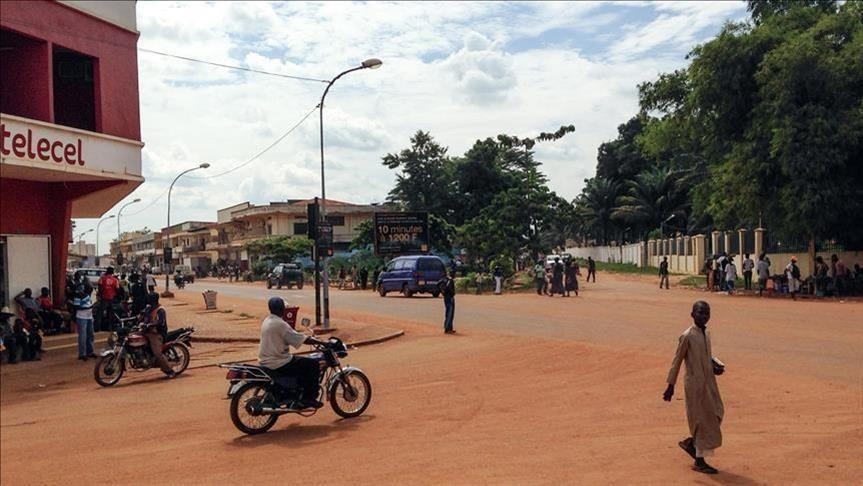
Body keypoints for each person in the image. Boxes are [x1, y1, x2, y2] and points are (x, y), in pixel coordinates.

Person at [663, 301, 725, 475]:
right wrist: (670, 385)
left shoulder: (707, 334)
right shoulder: (687, 335)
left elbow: (705, 356)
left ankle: (691, 443)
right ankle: (699, 460)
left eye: (706, 313)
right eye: (700, 313)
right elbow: (677, 360)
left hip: (709, 382)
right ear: (692, 314)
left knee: (717, 412)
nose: (704, 317)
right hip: (695, 385)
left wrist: (714, 366)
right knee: (700, 420)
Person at [259, 297, 327, 409]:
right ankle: (309, 399)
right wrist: (321, 342)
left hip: (267, 359)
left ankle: (295, 393)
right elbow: (300, 338)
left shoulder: (267, 321)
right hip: (278, 361)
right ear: (282, 309)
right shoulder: (281, 324)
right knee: (313, 364)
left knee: (299, 363)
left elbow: (290, 336)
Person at [142, 293, 176, 377]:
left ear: (154, 300)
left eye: (149, 299)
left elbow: (161, 322)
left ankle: (169, 370)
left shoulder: (160, 310)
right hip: (147, 332)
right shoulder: (148, 308)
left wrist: (150, 325)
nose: (147, 300)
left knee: (157, 353)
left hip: (156, 334)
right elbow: (142, 316)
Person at [72, 280, 96, 361]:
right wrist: (88, 308)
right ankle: (82, 354)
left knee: (91, 335)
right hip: (81, 317)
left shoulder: (87, 295)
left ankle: (90, 351)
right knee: (83, 336)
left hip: (89, 317)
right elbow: (76, 307)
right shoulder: (78, 296)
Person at [95, 267, 120, 332]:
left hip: (104, 298)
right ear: (112, 272)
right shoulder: (115, 280)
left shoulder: (102, 278)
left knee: (99, 313)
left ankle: (97, 328)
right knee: (111, 314)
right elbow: (117, 289)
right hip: (112, 298)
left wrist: (100, 294)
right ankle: (110, 328)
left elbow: (99, 287)